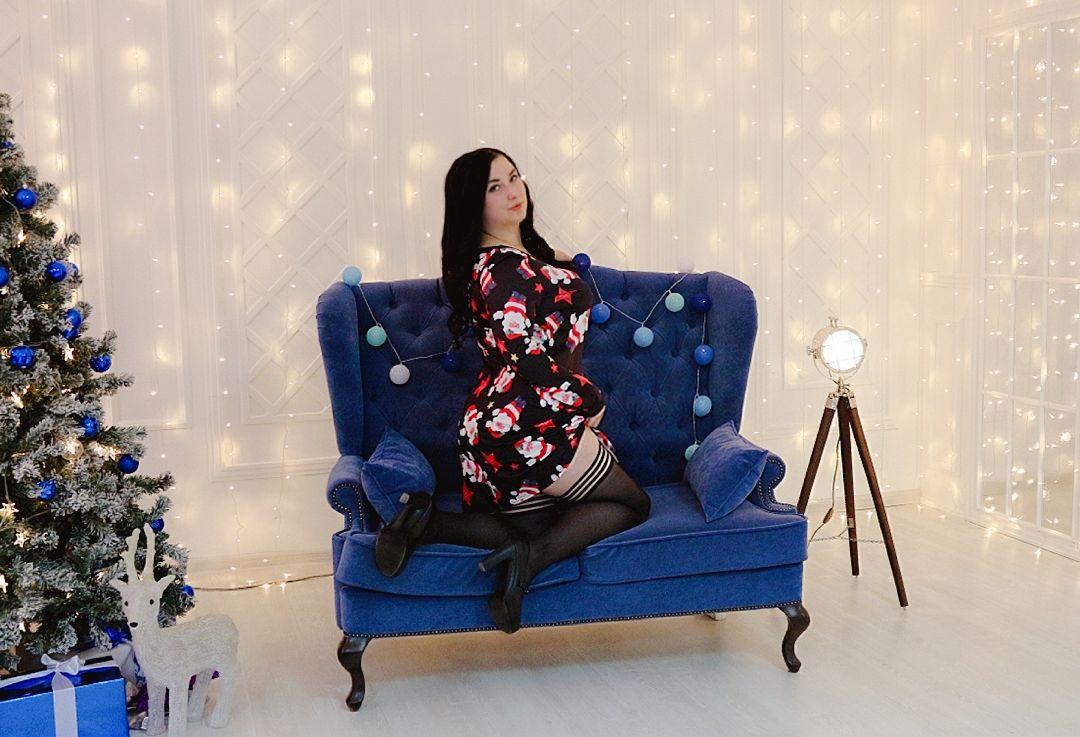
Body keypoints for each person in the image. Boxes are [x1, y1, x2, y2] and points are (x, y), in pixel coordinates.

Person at [374, 147, 651, 634]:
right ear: (472, 204)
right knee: (632, 504)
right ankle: (529, 562)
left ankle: (426, 522)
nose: (512, 191)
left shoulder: (507, 261)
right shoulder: (502, 268)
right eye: (494, 187)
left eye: (514, 177)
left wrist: (555, 261)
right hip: (528, 419)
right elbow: (526, 355)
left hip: (500, 422)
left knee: (539, 525)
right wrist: (590, 399)